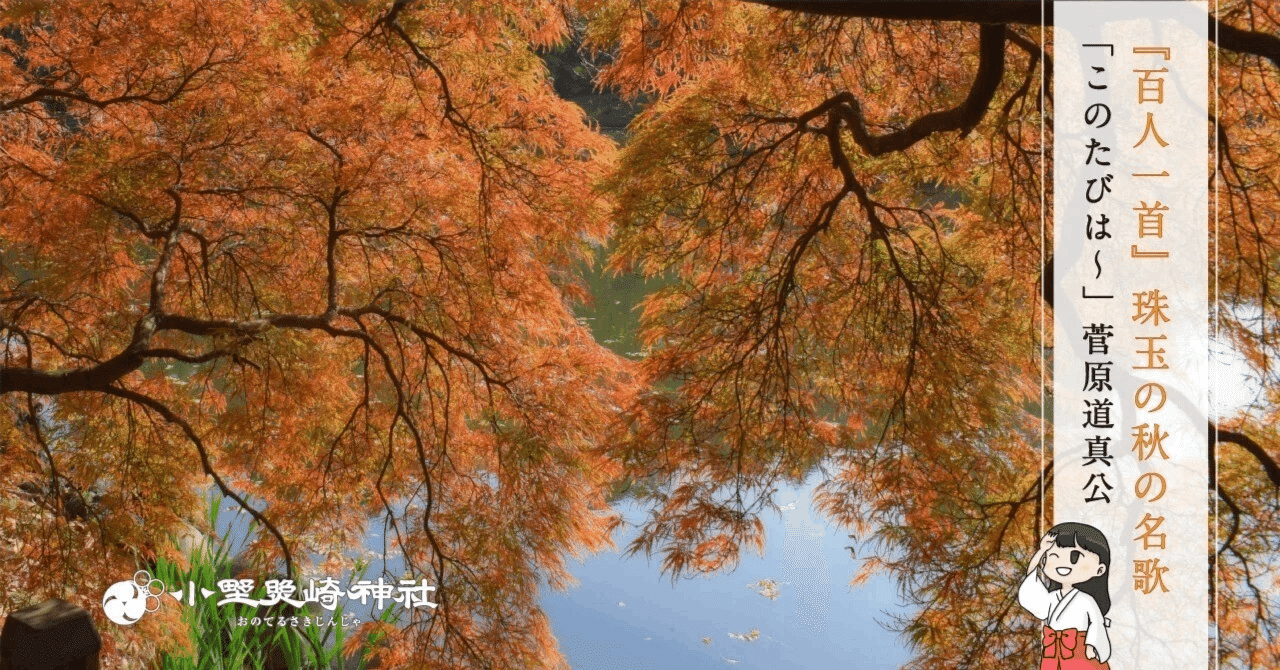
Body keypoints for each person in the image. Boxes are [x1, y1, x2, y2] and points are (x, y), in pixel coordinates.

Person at [1018, 522, 1112, 669]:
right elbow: (1031, 586)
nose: (1062, 564)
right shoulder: (1052, 597)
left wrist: (1091, 645)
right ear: (1043, 562)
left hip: (1080, 650)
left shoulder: (1086, 599)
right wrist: (1041, 551)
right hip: (1052, 651)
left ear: (1099, 570)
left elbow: (1096, 622)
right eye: (1054, 556)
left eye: (1074, 557)